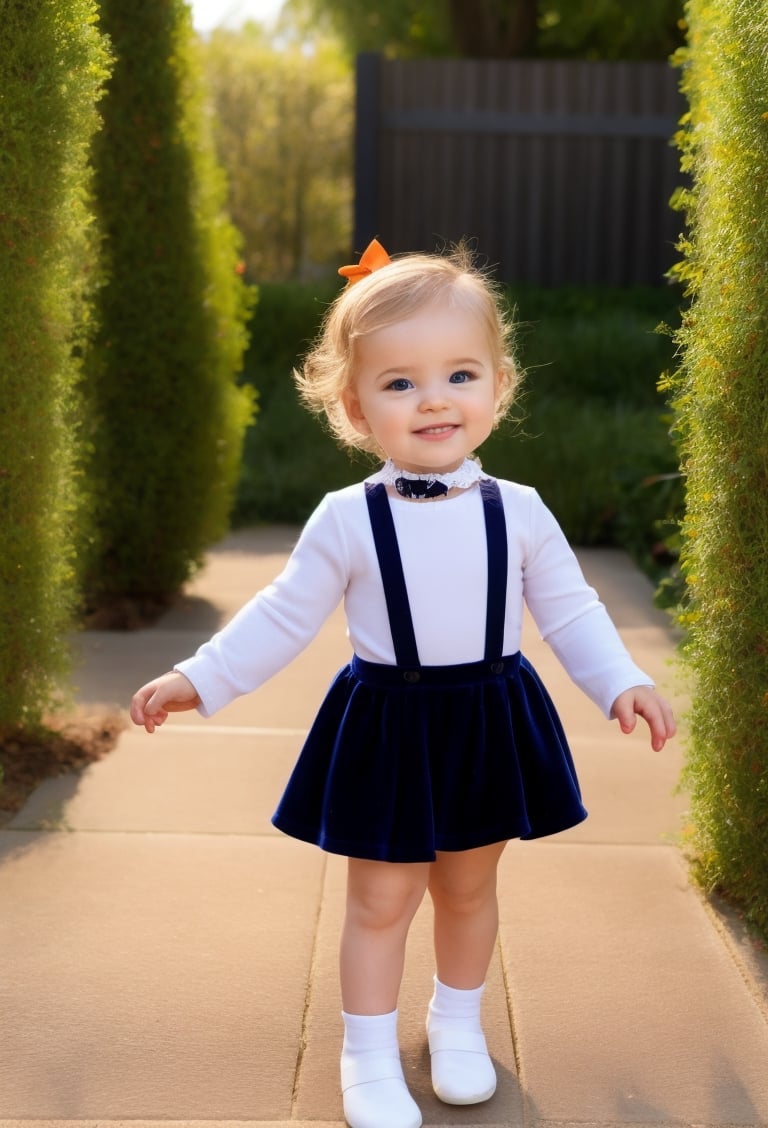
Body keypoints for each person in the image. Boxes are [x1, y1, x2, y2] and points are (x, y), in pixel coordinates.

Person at [130, 239, 676, 1128]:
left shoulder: (522, 509)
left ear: (499, 384)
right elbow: (281, 613)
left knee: (468, 885)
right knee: (381, 897)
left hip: (491, 713)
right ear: (353, 408)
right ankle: (367, 1049)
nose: (434, 398)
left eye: (460, 374)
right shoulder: (347, 519)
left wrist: (622, 681)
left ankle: (457, 1023)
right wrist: (202, 676)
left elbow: (571, 612)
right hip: (389, 722)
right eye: (399, 383)